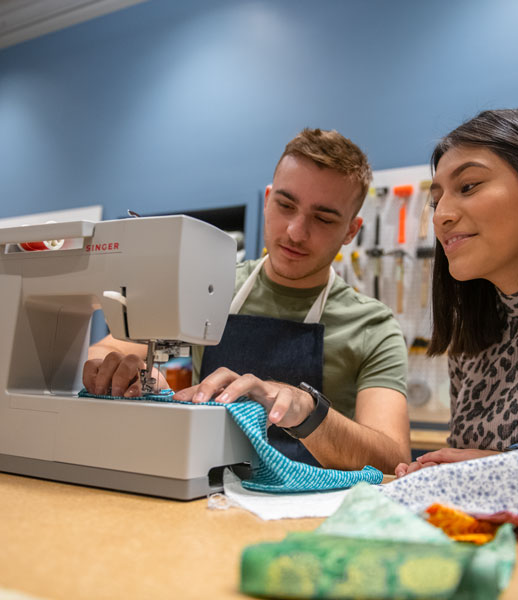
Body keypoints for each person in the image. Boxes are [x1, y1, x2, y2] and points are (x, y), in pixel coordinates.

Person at [85, 128, 410, 474]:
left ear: (350, 231)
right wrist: (124, 372)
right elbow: (101, 353)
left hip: (310, 515)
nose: (295, 232)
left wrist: (306, 410)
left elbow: (393, 458)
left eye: (323, 218)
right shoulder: (205, 288)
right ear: (268, 199)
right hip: (205, 499)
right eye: (285, 205)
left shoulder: (373, 326)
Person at [394, 108, 518, 522]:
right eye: (436, 201)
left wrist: (490, 472)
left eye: (468, 186)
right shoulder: (472, 337)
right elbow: (472, 469)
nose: (441, 216)